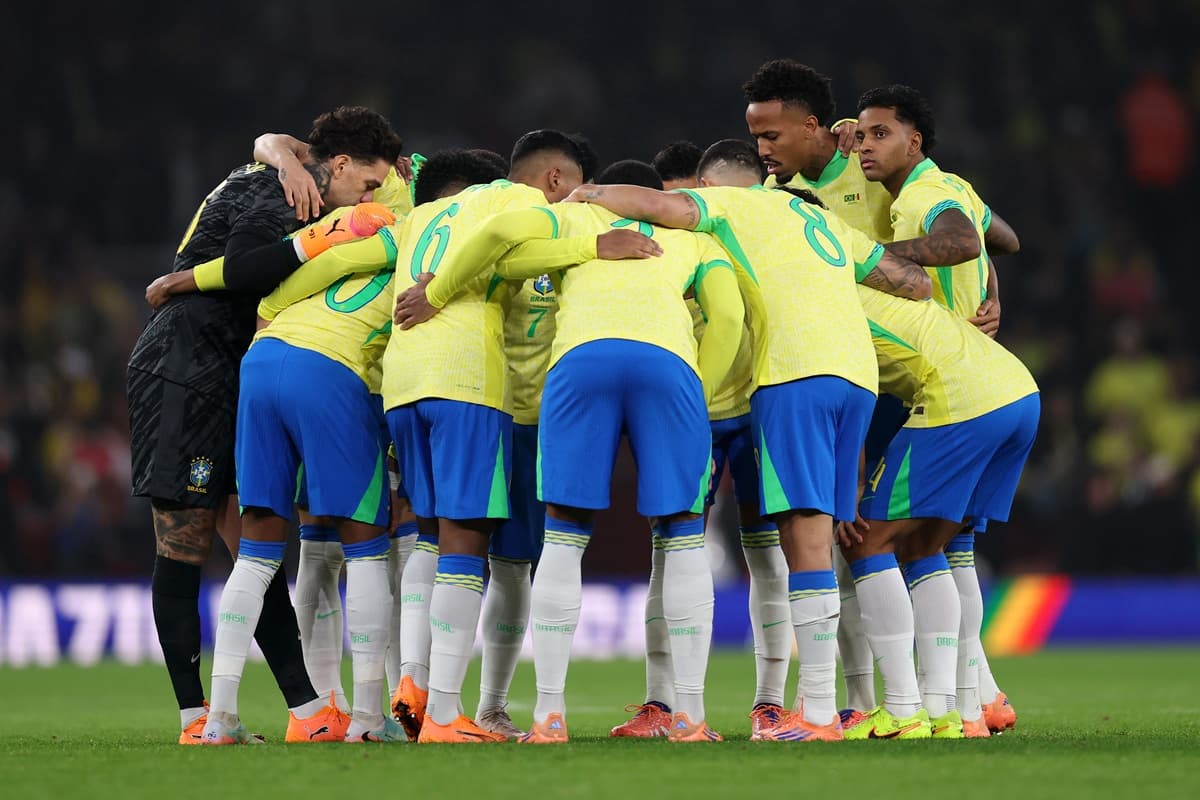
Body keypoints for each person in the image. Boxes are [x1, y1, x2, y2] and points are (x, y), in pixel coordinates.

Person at [561, 139, 928, 742]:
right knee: (818, 542)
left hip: (788, 380)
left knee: (797, 541)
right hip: (856, 379)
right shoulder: (818, 218)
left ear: (713, 187)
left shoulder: (734, 210)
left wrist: (591, 193)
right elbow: (910, 282)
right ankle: (827, 705)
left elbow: (667, 207)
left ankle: (810, 713)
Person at [395, 159, 744, 744]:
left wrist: (443, 286)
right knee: (683, 534)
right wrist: (697, 400)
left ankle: (548, 717)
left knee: (562, 536)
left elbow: (509, 259)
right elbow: (729, 316)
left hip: (577, 363)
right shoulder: (696, 235)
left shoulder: (572, 223)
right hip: (669, 364)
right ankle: (688, 716)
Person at [126, 106, 402, 744]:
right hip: (185, 367)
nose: (369, 197)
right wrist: (318, 237)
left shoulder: (284, 169)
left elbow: (273, 142)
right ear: (337, 165)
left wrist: (277, 151)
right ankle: (196, 717)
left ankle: (306, 710)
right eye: (366, 183)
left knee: (253, 545)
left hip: (234, 370)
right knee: (186, 538)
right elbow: (250, 262)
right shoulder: (275, 189)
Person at [857, 84, 1022, 731]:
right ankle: (974, 702)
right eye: (862, 135)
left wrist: (875, 260)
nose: (867, 146)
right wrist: (991, 290)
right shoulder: (951, 185)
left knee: (891, 542)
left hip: (940, 383)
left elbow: (957, 240)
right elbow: (996, 237)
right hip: (978, 377)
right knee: (943, 548)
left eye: (880, 135)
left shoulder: (925, 196)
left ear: (914, 141)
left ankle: (925, 706)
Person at [837, 283, 1039, 739]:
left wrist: (850, 484)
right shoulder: (875, 288)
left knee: (866, 537)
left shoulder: (830, 304)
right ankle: (945, 713)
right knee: (927, 547)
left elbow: (855, 396)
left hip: (963, 399)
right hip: (1019, 391)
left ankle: (903, 711)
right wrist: (994, 293)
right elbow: (992, 240)